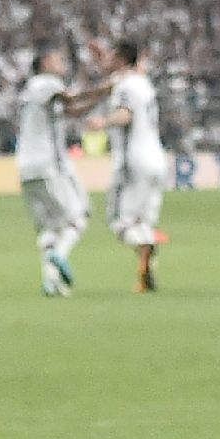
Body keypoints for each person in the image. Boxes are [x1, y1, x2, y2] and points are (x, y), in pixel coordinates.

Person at [15, 47, 95, 296]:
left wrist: (101, 97)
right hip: (47, 164)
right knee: (78, 216)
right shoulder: (45, 83)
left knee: (48, 228)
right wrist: (110, 86)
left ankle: (50, 281)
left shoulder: (35, 92)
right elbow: (73, 99)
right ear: (45, 62)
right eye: (58, 58)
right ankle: (60, 257)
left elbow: (74, 111)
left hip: (26, 168)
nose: (62, 63)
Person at [96, 40, 168, 290]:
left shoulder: (125, 85)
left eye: (110, 55)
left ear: (120, 58)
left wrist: (102, 122)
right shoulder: (143, 82)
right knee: (144, 221)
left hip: (133, 161)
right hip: (157, 159)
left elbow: (125, 114)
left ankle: (146, 246)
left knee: (120, 221)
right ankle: (144, 277)